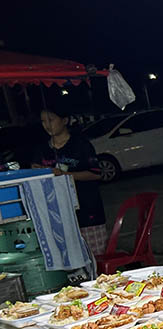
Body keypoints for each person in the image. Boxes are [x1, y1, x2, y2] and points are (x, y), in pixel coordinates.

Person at [33, 108, 107, 258]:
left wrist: (65, 175)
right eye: (43, 121)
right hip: (57, 214)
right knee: (69, 259)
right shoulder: (42, 150)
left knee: (95, 257)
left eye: (51, 120)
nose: (47, 125)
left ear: (64, 120)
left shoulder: (80, 145)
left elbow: (95, 173)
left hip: (87, 210)